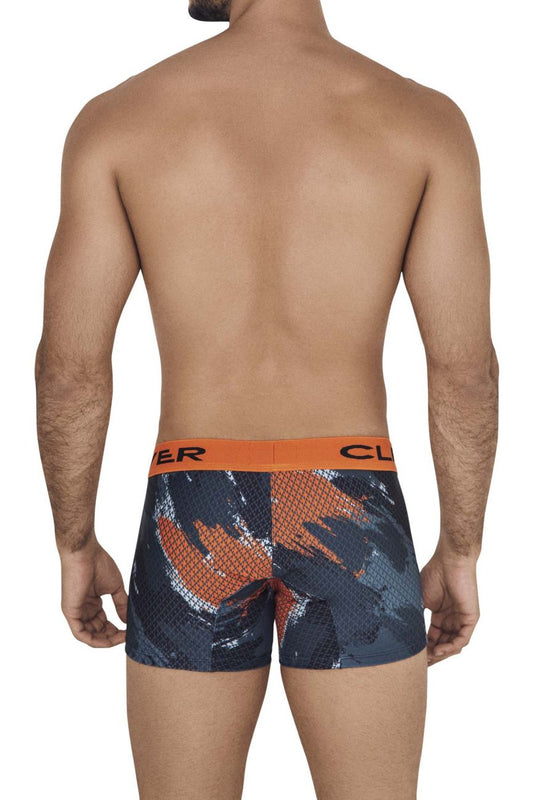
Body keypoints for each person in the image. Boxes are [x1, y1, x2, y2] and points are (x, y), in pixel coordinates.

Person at [35, 0, 499, 797]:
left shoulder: (120, 119)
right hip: (349, 503)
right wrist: (460, 551)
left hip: (193, 504)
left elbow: (70, 369)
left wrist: (74, 545)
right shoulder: (422, 121)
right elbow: (462, 372)